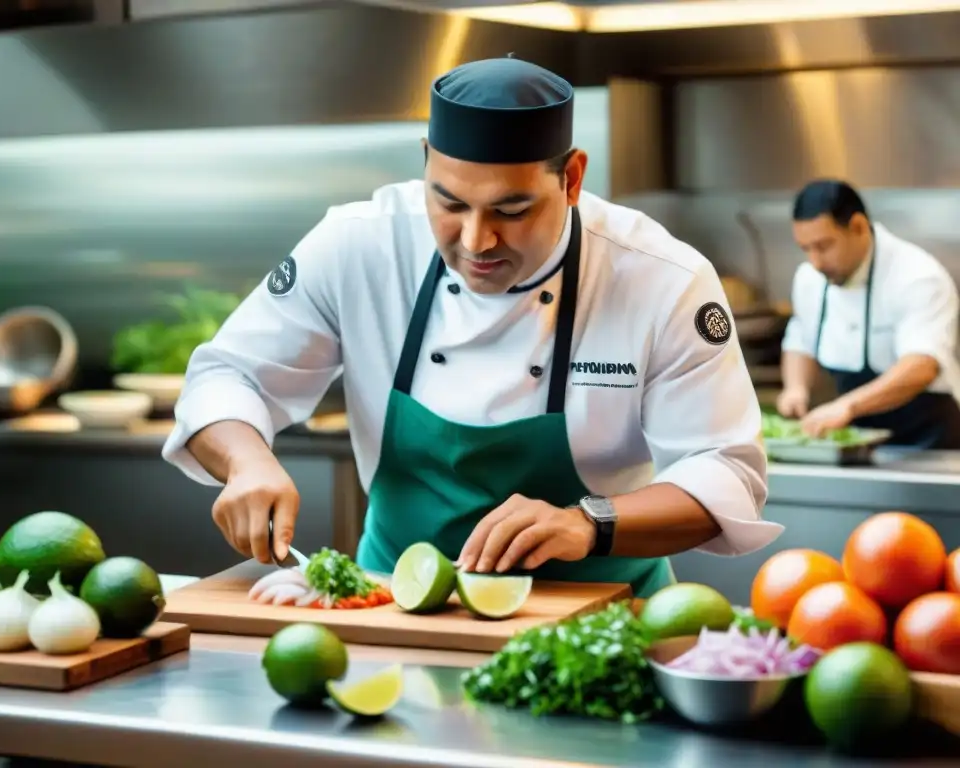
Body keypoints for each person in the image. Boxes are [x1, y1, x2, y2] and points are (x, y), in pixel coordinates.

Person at [162, 56, 782, 597]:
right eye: (449, 203)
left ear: (571, 179)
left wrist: (588, 522)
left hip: (602, 613)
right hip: (394, 606)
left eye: (511, 210)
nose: (476, 240)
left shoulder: (661, 278)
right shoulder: (360, 243)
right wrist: (246, 461)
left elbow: (725, 472)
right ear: (426, 164)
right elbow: (227, 374)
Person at [778, 179, 960, 448]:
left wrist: (848, 406)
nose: (815, 262)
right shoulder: (810, 279)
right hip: (861, 445)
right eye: (806, 249)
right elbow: (800, 338)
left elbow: (923, 364)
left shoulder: (918, 275)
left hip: (930, 442)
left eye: (824, 246)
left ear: (859, 227)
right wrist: (796, 388)